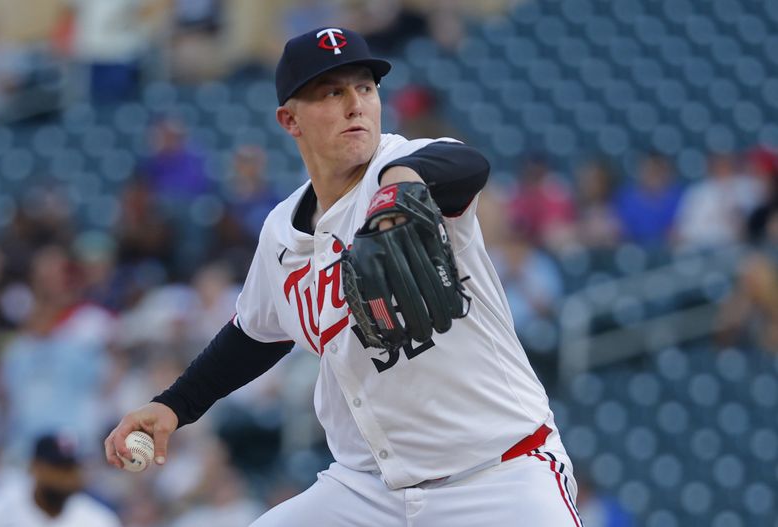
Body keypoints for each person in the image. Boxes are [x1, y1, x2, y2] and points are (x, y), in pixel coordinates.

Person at [105, 27, 582, 526]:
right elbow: (254, 335)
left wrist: (399, 191)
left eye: (365, 88)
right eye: (333, 92)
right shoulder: (281, 233)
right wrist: (174, 406)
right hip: (368, 492)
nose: (356, 104)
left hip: (495, 473)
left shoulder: (404, 164)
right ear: (290, 120)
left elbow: (464, 162)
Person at [0, 433, 121, 526]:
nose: (66, 476)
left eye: (72, 468)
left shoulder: (99, 521)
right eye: (58, 467)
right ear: (34, 466)